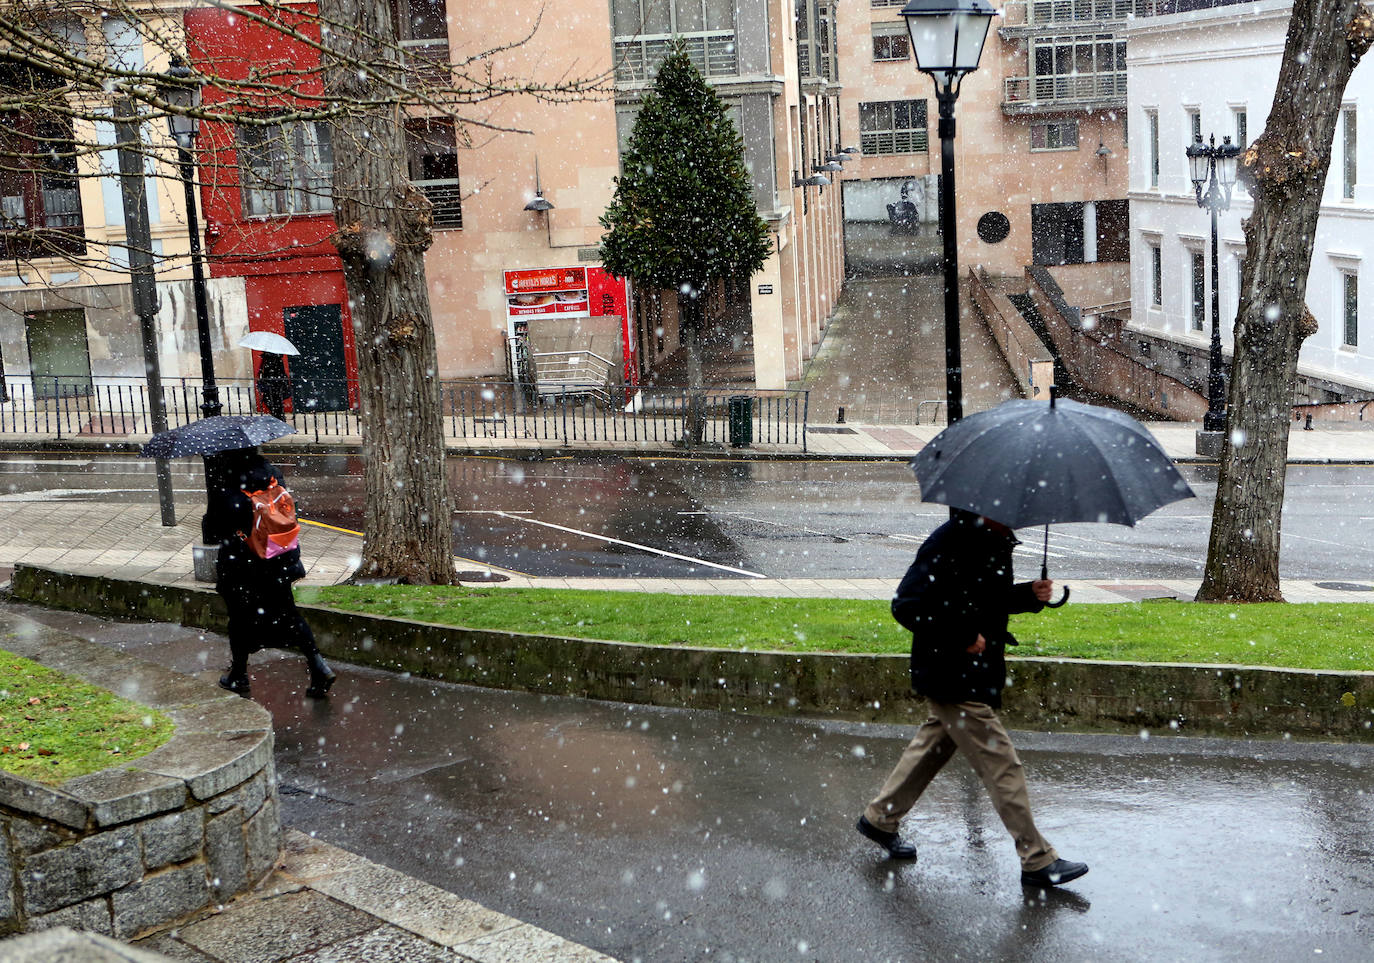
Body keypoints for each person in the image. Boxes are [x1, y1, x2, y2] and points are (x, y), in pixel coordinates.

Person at [855, 510, 1088, 888]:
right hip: (951, 672)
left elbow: (985, 600)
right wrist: (960, 635)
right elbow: (907, 604)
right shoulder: (949, 541)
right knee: (1002, 764)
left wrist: (1029, 595)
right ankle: (1037, 858)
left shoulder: (991, 540)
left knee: (934, 745)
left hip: (972, 672)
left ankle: (880, 819)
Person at [202, 447, 335, 700]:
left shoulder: (227, 482)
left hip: (245, 564)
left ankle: (238, 675)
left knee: (239, 619)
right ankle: (318, 665)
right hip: (279, 557)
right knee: (290, 613)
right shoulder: (272, 474)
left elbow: (214, 530)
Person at [257, 352, 291, 421]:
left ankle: (278, 417)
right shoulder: (268, 359)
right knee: (274, 401)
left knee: (274, 400)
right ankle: (278, 416)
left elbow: (279, 371)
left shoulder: (274, 359)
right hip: (273, 383)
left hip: (274, 384)